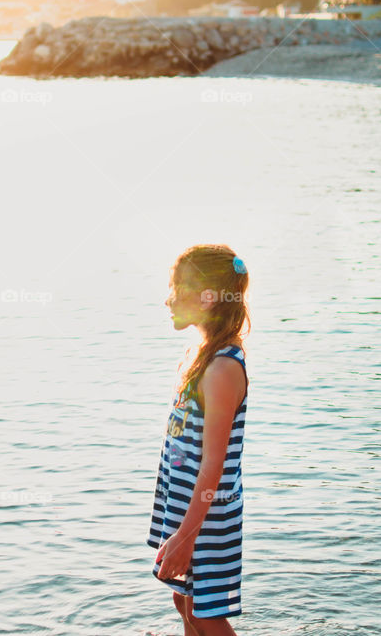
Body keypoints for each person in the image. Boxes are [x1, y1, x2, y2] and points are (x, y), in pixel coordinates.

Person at [147, 244, 250, 636]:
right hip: (187, 500)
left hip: (207, 510)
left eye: (177, 288)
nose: (168, 299)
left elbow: (214, 463)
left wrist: (186, 536)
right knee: (185, 600)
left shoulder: (223, 367)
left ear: (207, 297)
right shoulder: (201, 356)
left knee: (205, 611)